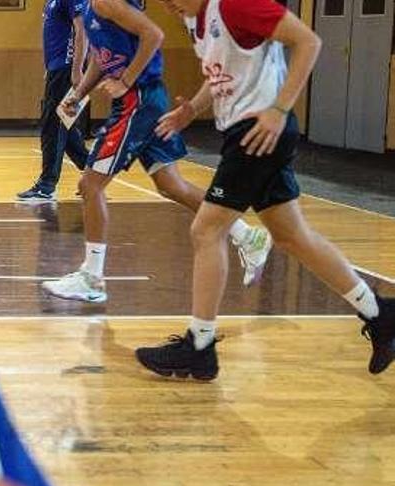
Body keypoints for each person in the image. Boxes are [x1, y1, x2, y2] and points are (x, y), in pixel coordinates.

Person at [135, 0, 395, 380]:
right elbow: (222, 75)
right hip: (249, 134)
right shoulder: (197, 22)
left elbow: (308, 41)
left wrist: (279, 109)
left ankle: (200, 346)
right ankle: (380, 314)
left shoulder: (237, 5)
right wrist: (191, 108)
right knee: (292, 236)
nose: (168, 4)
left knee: (206, 230)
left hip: (257, 132)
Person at [39, 0, 271, 304]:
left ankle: (92, 278)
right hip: (146, 101)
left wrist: (126, 80)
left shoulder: (108, 2)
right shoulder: (91, 7)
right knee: (171, 185)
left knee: (90, 185)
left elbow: (154, 35)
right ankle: (247, 236)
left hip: (139, 102)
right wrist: (80, 92)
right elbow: (100, 56)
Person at [16, 0, 91, 203]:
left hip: (66, 70)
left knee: (53, 125)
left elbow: (82, 30)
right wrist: (49, 68)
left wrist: (77, 70)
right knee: (64, 126)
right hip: (56, 69)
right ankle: (95, 174)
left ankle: (46, 186)